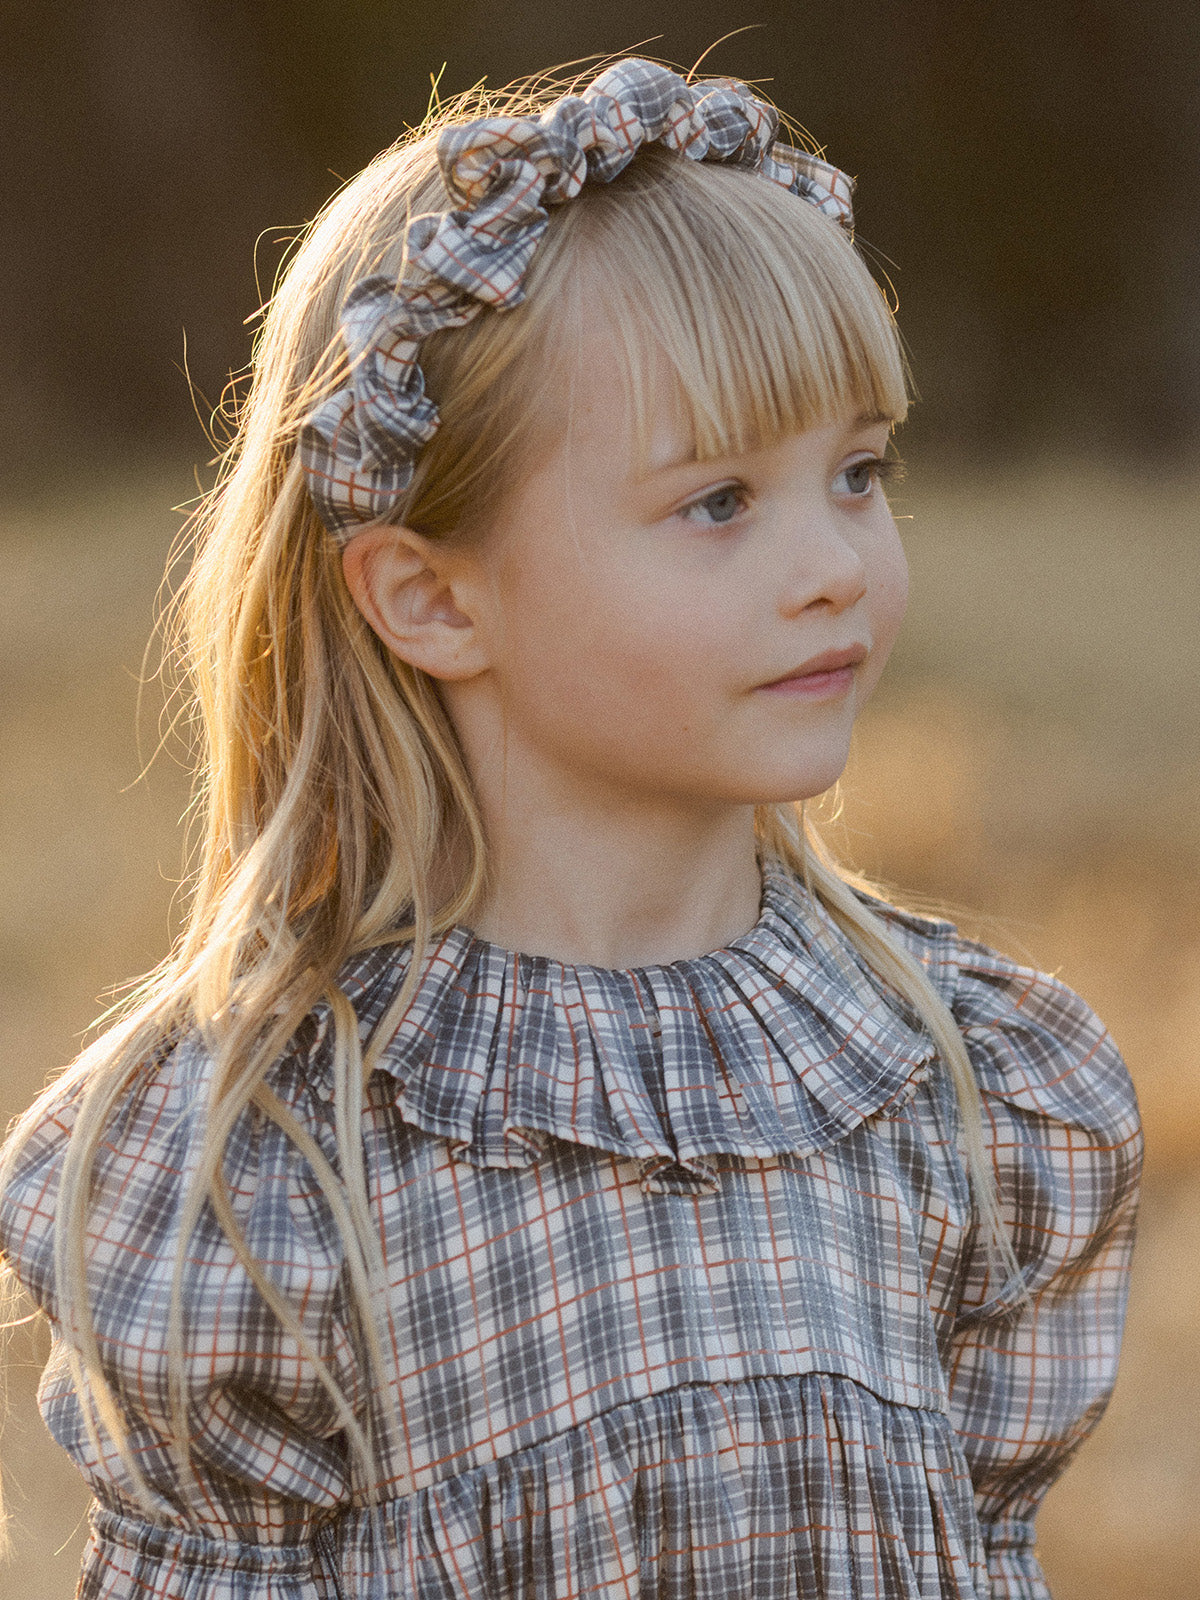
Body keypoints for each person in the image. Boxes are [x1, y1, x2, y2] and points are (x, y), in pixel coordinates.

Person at [0, 56, 1141, 1600]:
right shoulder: (263, 1169)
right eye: (719, 503)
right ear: (432, 597)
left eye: (859, 473)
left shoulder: (967, 1089)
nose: (834, 566)